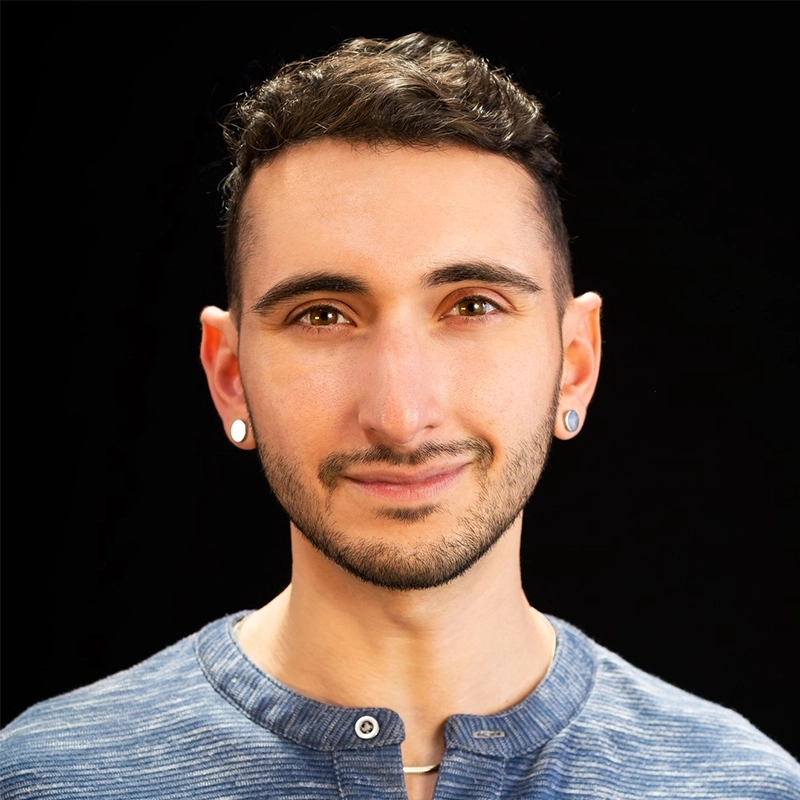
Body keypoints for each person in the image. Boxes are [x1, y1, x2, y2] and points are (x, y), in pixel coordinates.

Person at [2, 32, 798, 800]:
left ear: (576, 363)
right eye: (322, 315)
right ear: (231, 375)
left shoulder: (750, 787)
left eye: (473, 305)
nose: (400, 414)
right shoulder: (40, 781)